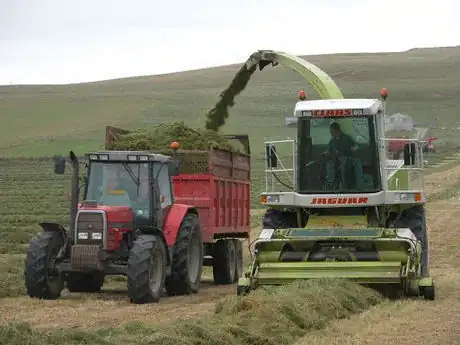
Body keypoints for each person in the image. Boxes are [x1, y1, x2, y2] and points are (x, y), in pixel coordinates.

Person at [323, 122, 364, 190]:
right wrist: (326, 153)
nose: (331, 133)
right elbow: (328, 150)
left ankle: (358, 182)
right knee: (329, 163)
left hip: (348, 159)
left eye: (332, 131)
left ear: (337, 130)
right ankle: (331, 183)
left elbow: (356, 146)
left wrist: (355, 148)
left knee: (355, 161)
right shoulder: (332, 141)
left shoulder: (347, 138)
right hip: (335, 160)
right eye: (331, 131)